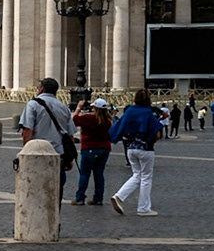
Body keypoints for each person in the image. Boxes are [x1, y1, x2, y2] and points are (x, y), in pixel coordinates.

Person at [109, 87, 165, 217]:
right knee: (146, 177)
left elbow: (117, 127)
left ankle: (119, 196)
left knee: (136, 175)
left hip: (130, 149)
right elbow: (156, 133)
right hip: (145, 149)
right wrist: (151, 141)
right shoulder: (147, 113)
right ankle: (143, 208)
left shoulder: (129, 111)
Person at [17, 78, 75, 196]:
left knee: (35, 191)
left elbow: (28, 130)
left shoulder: (33, 104)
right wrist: (70, 158)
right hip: (59, 155)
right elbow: (70, 135)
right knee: (56, 192)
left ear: (41, 89)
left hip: (38, 154)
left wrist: (26, 152)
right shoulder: (64, 107)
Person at [71, 98, 114, 206]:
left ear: (94, 108)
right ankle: (98, 198)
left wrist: (79, 107)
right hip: (104, 149)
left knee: (85, 174)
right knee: (99, 174)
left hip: (89, 147)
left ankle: (80, 198)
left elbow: (74, 121)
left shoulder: (88, 118)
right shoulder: (108, 120)